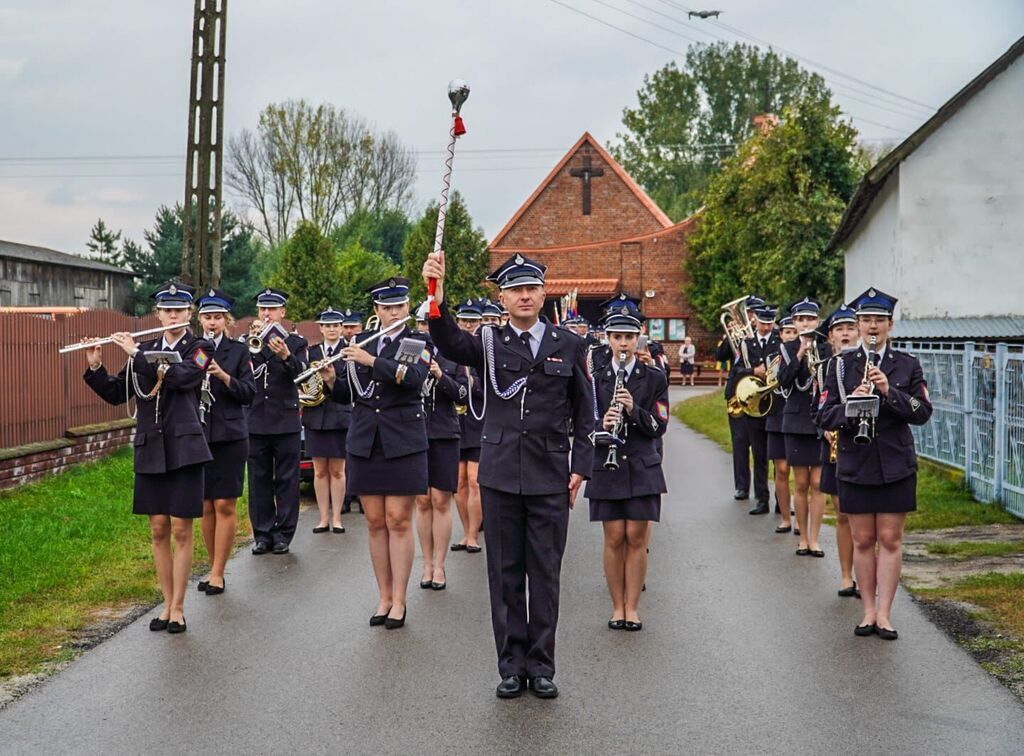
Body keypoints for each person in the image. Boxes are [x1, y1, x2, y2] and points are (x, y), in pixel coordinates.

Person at [424, 251, 595, 700]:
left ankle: (541, 665)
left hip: (550, 476)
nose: (524, 295)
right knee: (504, 575)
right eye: (515, 289)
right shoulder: (488, 343)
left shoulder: (569, 345)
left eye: (531, 288)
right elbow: (447, 341)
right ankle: (511, 666)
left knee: (545, 575)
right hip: (499, 475)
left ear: (543, 293)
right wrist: (435, 296)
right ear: (502, 297)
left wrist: (580, 468)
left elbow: (585, 412)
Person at [83, 282, 213, 633]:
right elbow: (117, 393)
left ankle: (180, 607)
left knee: (182, 530)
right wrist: (95, 368)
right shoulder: (146, 348)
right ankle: (165, 603)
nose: (172, 316)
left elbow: (184, 378)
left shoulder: (201, 347)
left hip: (185, 449)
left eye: (179, 310)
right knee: (158, 529)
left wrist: (135, 355)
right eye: (166, 310)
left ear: (189, 313)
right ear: (157, 313)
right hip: (150, 448)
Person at [820, 289, 931, 639]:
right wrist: (852, 405)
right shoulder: (839, 366)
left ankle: (885, 613)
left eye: (878, 321)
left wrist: (889, 392)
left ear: (889, 325)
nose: (872, 326)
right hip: (855, 463)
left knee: (890, 538)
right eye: (865, 320)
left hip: (895, 464)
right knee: (863, 539)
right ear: (857, 324)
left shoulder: (907, 364)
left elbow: (922, 412)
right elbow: (823, 415)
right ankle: (867, 610)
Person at [320, 277, 430, 630]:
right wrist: (330, 381)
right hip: (366, 439)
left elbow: (413, 379)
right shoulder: (359, 343)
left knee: (398, 519)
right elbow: (356, 394)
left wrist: (370, 360)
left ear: (407, 307)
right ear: (376, 311)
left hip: (402, 439)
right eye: (386, 308)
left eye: (398, 306)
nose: (393, 312)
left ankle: (400, 599)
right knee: (374, 521)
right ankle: (383, 596)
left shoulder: (419, 341)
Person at [586, 306, 668, 632]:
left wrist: (633, 410)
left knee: (636, 536)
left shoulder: (654, 378)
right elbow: (580, 423)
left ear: (638, 339)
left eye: (629, 338)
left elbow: (659, 424)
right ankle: (616, 605)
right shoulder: (596, 379)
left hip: (642, 463)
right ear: (607, 339)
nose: (623, 344)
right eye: (617, 337)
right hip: (607, 464)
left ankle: (632, 608)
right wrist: (600, 423)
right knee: (614, 536)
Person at [195, 289, 256, 596]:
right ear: (200, 320)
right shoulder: (194, 349)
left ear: (226, 320)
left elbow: (249, 392)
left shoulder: (238, 351)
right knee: (205, 505)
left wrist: (224, 377)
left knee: (224, 503)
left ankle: (219, 572)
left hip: (231, 435)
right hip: (201, 434)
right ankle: (211, 566)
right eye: (207, 317)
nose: (212, 322)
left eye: (218, 317)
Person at [247, 288, 308, 555]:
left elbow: (304, 375)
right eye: (263, 309)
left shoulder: (296, 343)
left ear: (282, 312)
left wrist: (285, 355)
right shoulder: (248, 341)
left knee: (286, 478)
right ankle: (262, 533)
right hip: (256, 420)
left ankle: (283, 533)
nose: (266, 313)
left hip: (285, 420)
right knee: (259, 479)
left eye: (272, 309)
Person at [413, 302, 467, 590]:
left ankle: (441, 566)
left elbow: (462, 394)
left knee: (440, 501)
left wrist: (438, 375)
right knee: (421, 501)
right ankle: (427, 564)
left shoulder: (453, 356)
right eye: (422, 324)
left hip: (445, 433)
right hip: (415, 434)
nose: (426, 330)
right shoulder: (410, 352)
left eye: (430, 324)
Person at [777, 297, 831, 558]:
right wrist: (800, 352)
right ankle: (803, 537)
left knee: (819, 482)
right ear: (794, 323)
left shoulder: (827, 348)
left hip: (819, 421)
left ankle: (816, 538)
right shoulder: (787, 348)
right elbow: (784, 382)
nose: (805, 323)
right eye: (800, 319)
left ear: (817, 321)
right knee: (800, 482)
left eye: (810, 319)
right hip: (796, 420)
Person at [815, 305, 861, 597]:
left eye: (850, 328)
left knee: (865, 518)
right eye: (839, 330)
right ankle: (846, 576)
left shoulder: (868, 365)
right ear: (830, 337)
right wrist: (826, 431)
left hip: (864, 449)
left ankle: (865, 573)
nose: (845, 334)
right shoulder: (824, 370)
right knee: (843, 514)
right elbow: (816, 410)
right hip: (834, 448)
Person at [303, 307, 352, 534]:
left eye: (336, 325)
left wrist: (332, 379)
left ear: (341, 328)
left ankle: (337, 517)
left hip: (340, 416)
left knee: (338, 470)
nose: (331, 329)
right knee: (319, 470)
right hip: (316, 417)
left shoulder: (348, 351)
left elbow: (350, 386)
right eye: (327, 325)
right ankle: (323, 518)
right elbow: (305, 383)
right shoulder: (311, 352)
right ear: (321, 328)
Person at [715, 295, 766, 502]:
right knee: (740, 443)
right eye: (750, 313)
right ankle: (741, 487)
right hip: (737, 393)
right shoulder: (738, 335)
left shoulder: (768, 336)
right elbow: (720, 356)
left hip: (759, 394)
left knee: (761, 446)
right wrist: (730, 335)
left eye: (755, 313)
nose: (751, 317)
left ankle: (762, 491)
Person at [452, 299, 485, 554]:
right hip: (455, 423)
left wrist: (473, 385)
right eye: (464, 321)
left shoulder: (485, 351)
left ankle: (474, 534)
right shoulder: (450, 351)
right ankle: (464, 531)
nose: (468, 325)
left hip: (479, 420)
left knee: (474, 481)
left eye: (473, 321)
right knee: (459, 482)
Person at [738, 305, 777, 515]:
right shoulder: (747, 343)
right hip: (755, 405)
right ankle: (762, 499)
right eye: (763, 323)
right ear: (756, 322)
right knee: (759, 454)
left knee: (778, 457)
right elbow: (736, 371)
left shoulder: (780, 340)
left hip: (775, 405)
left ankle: (781, 500)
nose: (766, 327)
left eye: (770, 323)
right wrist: (753, 371)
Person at [766, 316, 797, 534]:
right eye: (787, 332)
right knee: (782, 469)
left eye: (794, 332)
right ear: (781, 335)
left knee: (803, 473)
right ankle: (785, 516)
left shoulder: (805, 356)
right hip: (776, 416)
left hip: (798, 417)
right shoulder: (772, 357)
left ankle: (800, 515)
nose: (791, 336)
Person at [339, 309, 364, 515]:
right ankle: (346, 498)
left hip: (359, 411)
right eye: (345, 327)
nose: (348, 331)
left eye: (352, 327)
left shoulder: (367, 346)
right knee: (347, 457)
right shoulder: (339, 350)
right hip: (345, 410)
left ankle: (362, 499)